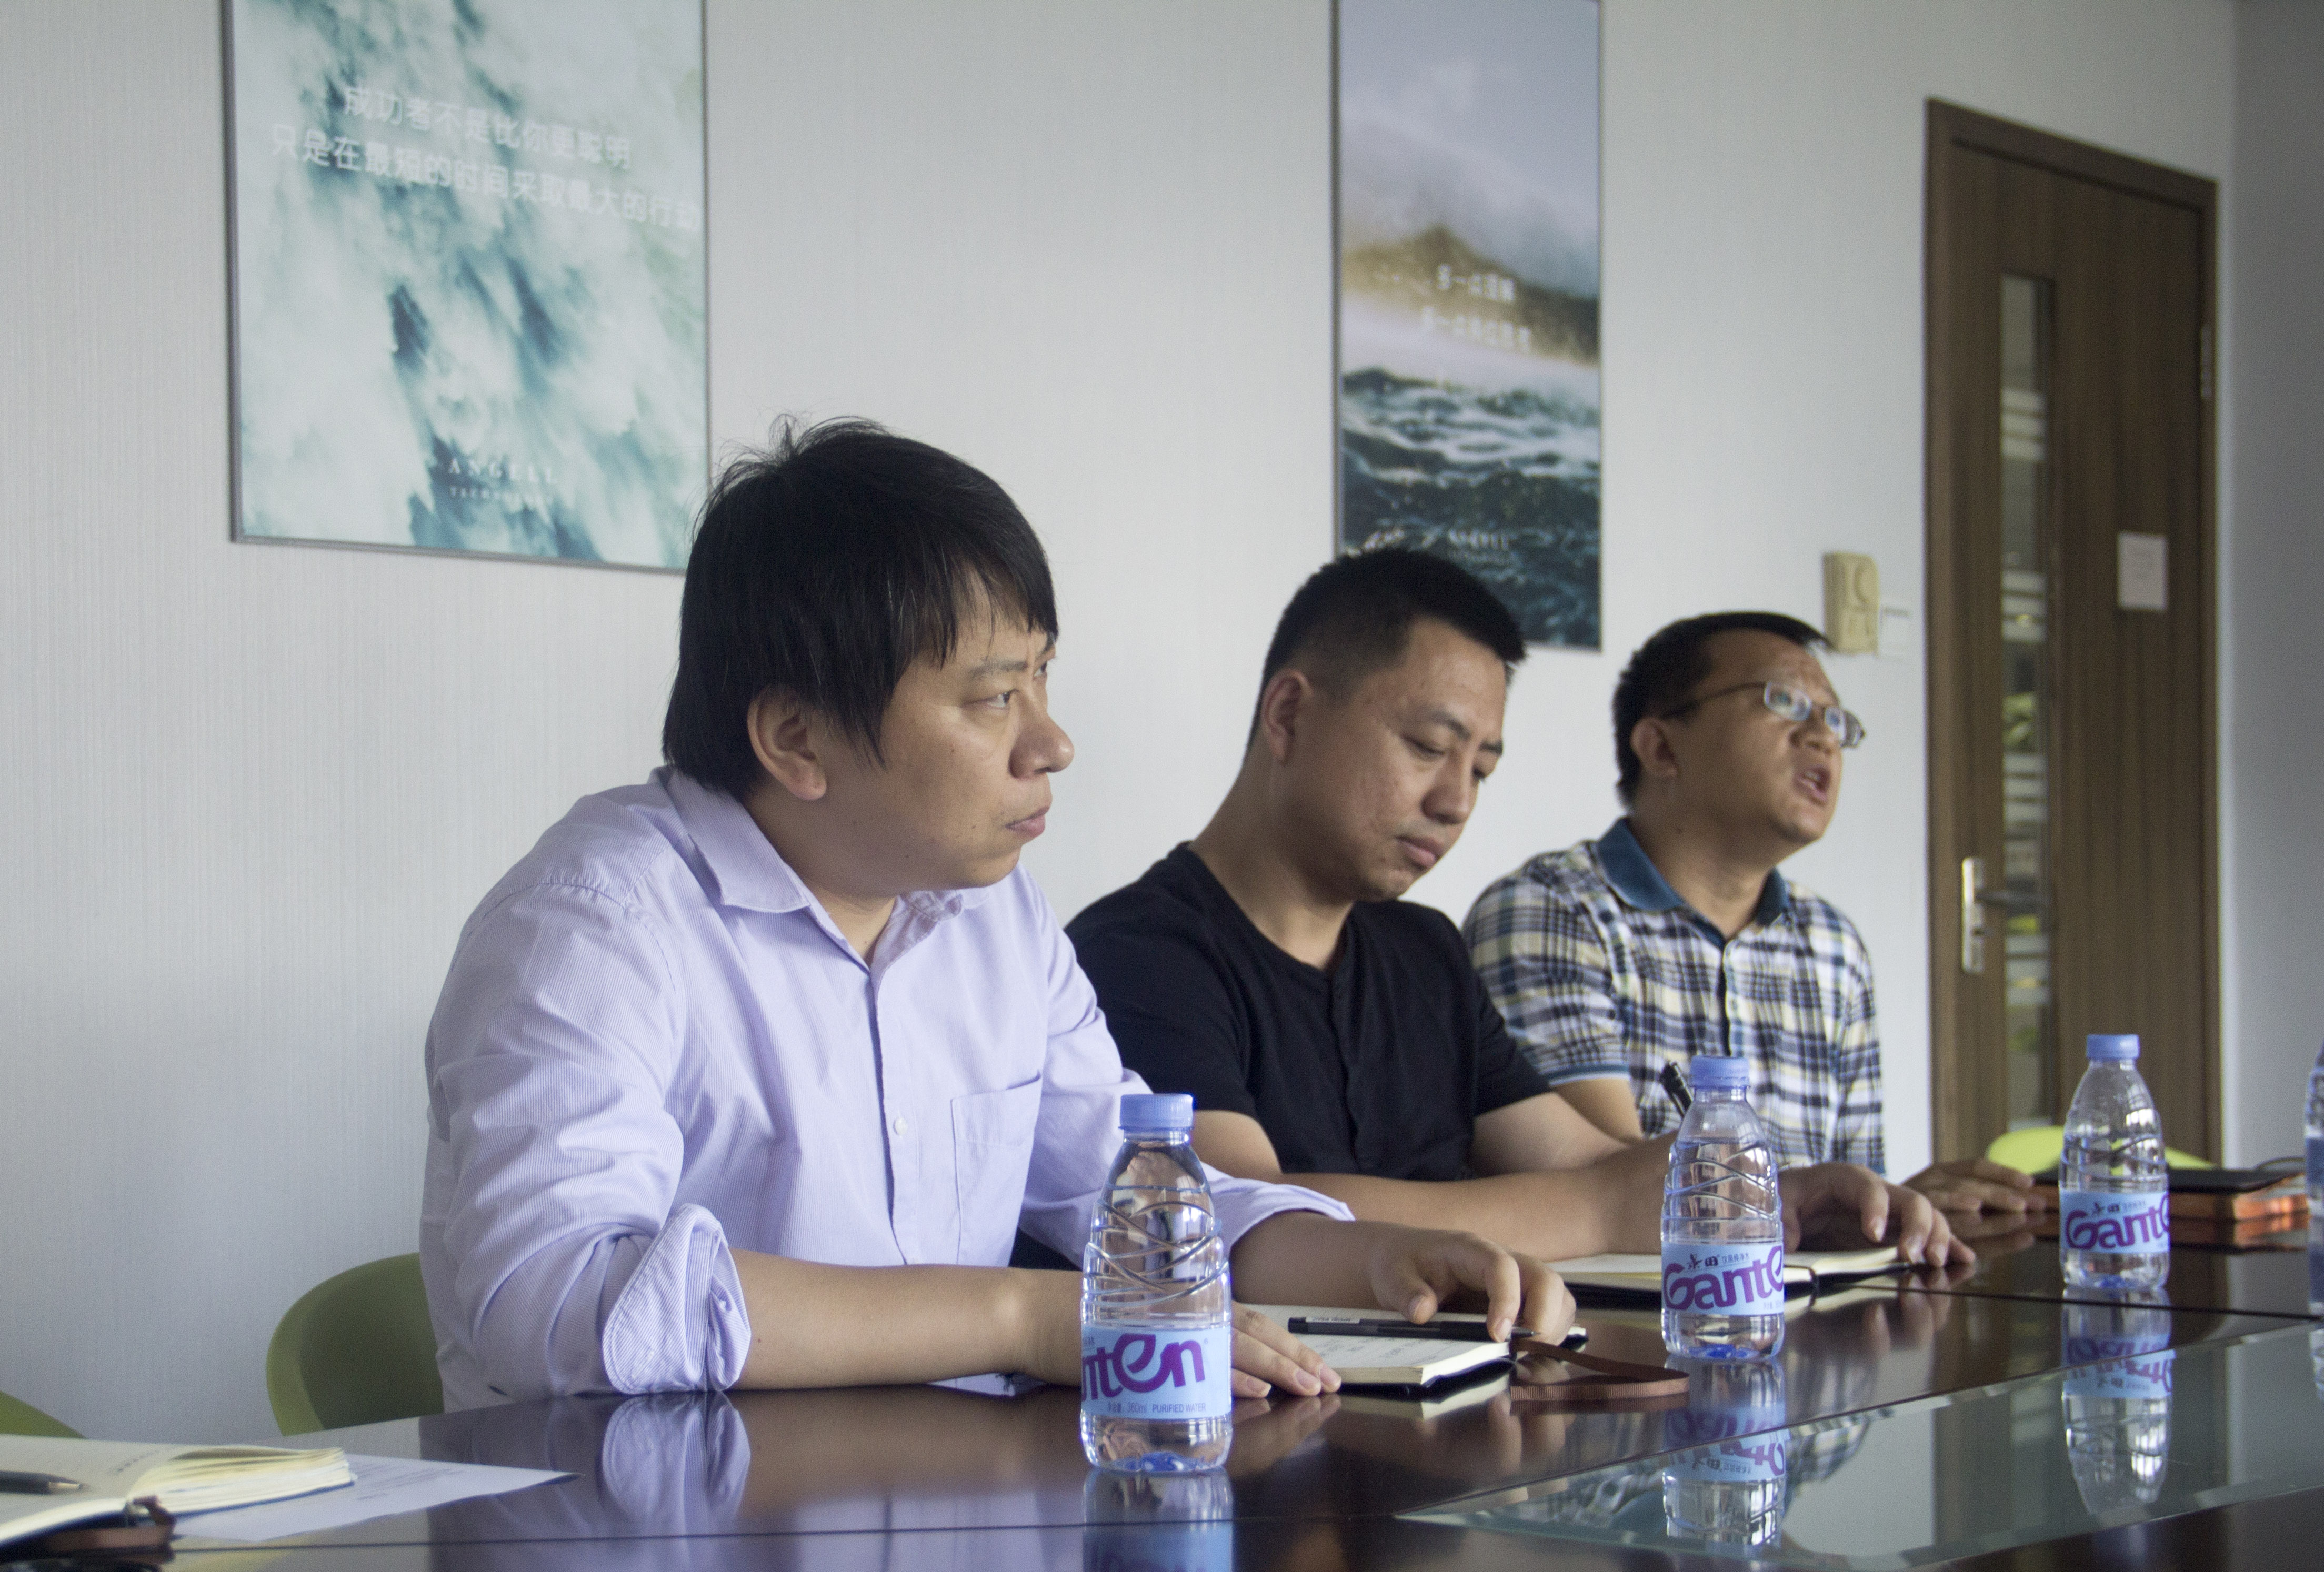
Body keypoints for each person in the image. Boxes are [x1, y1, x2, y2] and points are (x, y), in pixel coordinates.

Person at [419, 422, 1571, 1412]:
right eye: (994, 696)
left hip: (946, 1506)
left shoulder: (994, 919)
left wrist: (1379, 1262)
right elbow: (552, 1300)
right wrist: (1024, 1317)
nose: (1051, 742)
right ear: (797, 737)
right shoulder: (594, 924)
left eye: (1045, 678)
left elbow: (1142, 1198)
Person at [1068, 551, 1965, 1267]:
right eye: (1429, 746)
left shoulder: (1422, 952)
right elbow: (1246, 1217)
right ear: (1289, 715)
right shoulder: (1138, 953)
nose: (1456, 801)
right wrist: (1600, 1209)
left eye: (1483, 770)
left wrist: (1782, 1193)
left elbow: (1583, 1158)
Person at [1463, 611, 2035, 1212]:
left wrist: (1893, 1208)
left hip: (1799, 1274)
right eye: (1783, 702)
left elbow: (1854, 1187)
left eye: (1835, 719)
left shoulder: (1833, 947)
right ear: (1661, 747)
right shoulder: (1549, 911)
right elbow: (1614, 1192)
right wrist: (1815, 1202)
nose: (1823, 738)